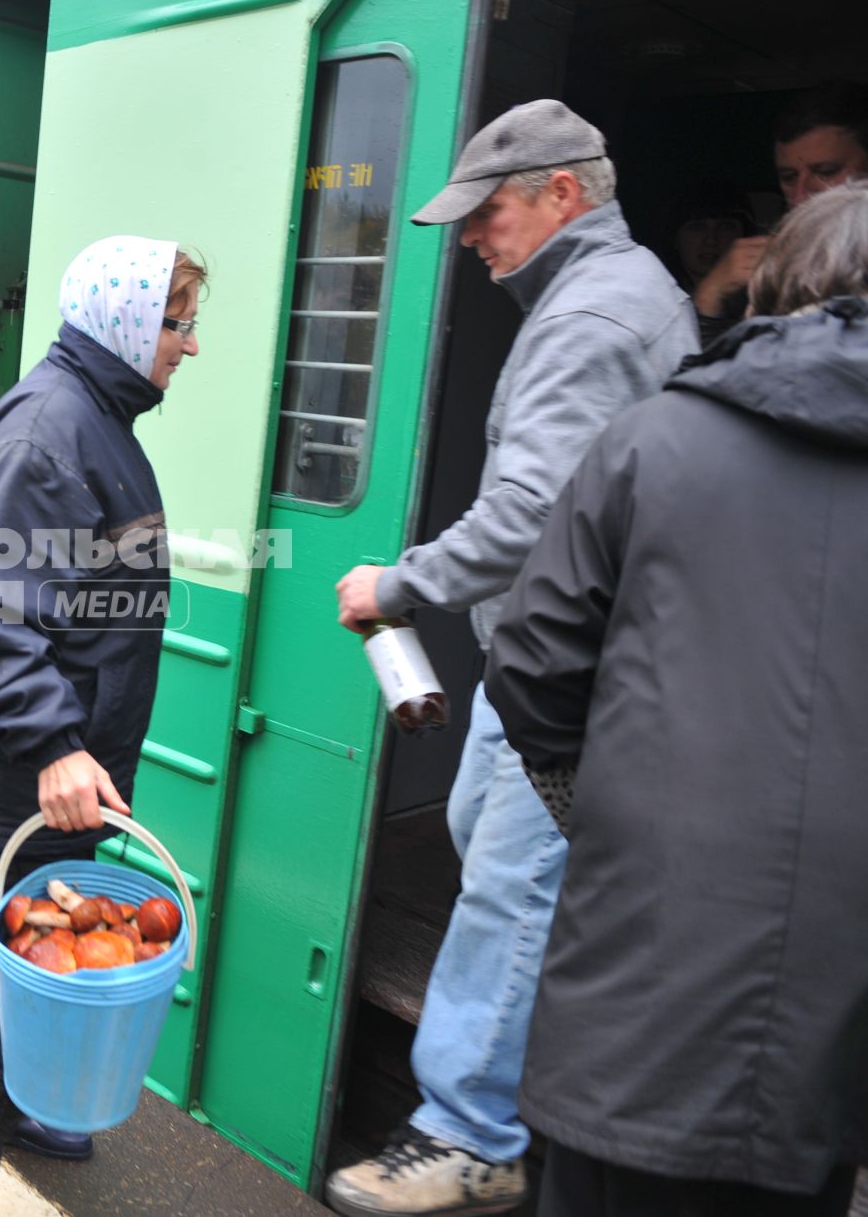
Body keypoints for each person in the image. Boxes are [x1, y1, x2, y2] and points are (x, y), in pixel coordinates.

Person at [327, 100, 698, 1217]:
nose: (474, 238)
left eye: (487, 213)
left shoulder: (590, 316)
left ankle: (470, 1132)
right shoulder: (607, 298)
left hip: (572, 674)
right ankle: (523, 1073)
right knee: (490, 848)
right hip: (542, 662)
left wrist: (398, 584)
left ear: (563, 194)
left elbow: (534, 510)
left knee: (514, 886)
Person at [484, 182, 868, 1217]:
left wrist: (593, 802)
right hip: (835, 1022)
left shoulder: (653, 439)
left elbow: (529, 657)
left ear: (775, 288)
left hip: (639, 981)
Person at [0, 235, 205, 1217]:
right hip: (13, 783)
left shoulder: (95, 420)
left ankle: (28, 1111)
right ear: (125, 321)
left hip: (44, 776)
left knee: (29, 977)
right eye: (176, 322)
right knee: (8, 998)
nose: (189, 346)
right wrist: (53, 743)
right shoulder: (52, 434)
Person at [690, 83, 868, 342]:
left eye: (826, 172)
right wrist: (711, 296)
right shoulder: (769, 264)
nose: (800, 195)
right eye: (788, 177)